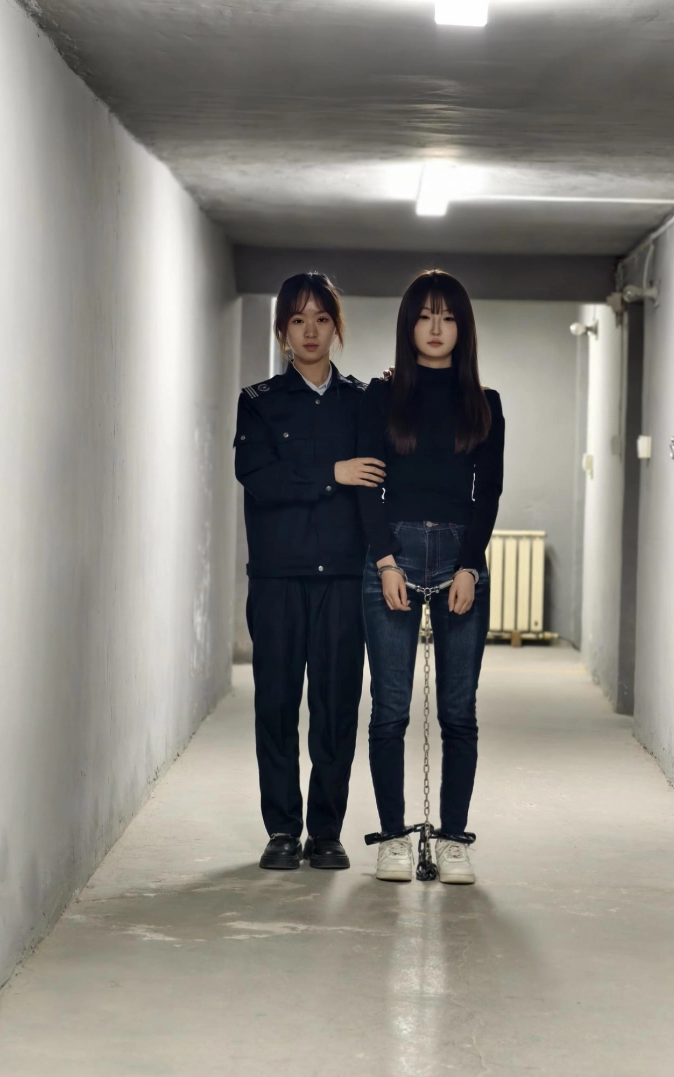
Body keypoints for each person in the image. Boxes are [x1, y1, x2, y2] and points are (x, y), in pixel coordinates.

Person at [234, 272, 385, 871]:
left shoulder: (362, 402)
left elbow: (377, 480)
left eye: (321, 318)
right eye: (298, 320)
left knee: (337, 705)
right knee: (275, 703)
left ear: (336, 327)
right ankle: (281, 830)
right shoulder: (259, 402)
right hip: (277, 578)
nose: (310, 331)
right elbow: (259, 478)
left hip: (343, 579)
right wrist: (332, 475)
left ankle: (326, 831)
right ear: (283, 332)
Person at [357, 270, 505, 885]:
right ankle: (393, 837)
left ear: (462, 327)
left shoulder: (485, 403)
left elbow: (487, 493)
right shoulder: (381, 395)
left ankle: (452, 840)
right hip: (393, 554)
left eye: (447, 316)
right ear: (409, 325)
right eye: (425, 316)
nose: (436, 327)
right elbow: (367, 487)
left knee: (458, 711)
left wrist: (470, 564)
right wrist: (385, 561)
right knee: (390, 708)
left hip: (457, 557)